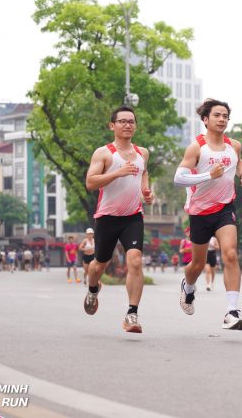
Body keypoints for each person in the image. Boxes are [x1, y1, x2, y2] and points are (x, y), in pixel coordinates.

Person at [173, 98, 242, 330]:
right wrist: (209, 175)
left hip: (225, 208)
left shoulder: (234, 146)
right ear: (205, 120)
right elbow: (178, 179)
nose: (222, 119)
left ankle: (232, 312)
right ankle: (188, 288)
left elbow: (238, 162)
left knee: (230, 254)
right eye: (217, 115)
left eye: (225, 116)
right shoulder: (197, 148)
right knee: (197, 264)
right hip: (199, 211)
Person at [83, 106, 154, 334]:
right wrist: (117, 173)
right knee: (98, 265)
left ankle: (132, 314)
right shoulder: (104, 153)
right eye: (122, 121)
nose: (127, 125)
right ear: (112, 126)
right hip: (107, 217)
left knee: (135, 261)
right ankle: (93, 289)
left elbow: (143, 173)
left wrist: (146, 192)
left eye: (131, 121)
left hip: (133, 217)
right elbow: (90, 182)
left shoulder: (142, 153)